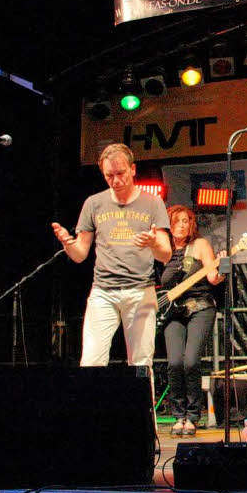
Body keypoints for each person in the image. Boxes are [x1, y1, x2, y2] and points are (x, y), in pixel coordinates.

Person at [52, 143, 171, 372]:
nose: (115, 180)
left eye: (120, 173)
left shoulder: (152, 203)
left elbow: (165, 253)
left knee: (140, 363)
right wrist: (68, 244)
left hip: (140, 290)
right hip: (103, 292)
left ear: (133, 169)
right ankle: (96, 408)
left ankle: (142, 409)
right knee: (91, 361)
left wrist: (153, 242)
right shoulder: (94, 203)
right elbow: (80, 255)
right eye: (109, 175)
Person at [158, 205, 224, 437]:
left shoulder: (200, 245)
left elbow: (214, 278)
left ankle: (193, 416)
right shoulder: (161, 251)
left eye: (186, 221)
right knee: (174, 363)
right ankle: (178, 416)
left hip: (200, 307)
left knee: (191, 361)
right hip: (172, 312)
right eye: (177, 221)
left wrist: (223, 264)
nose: (182, 225)